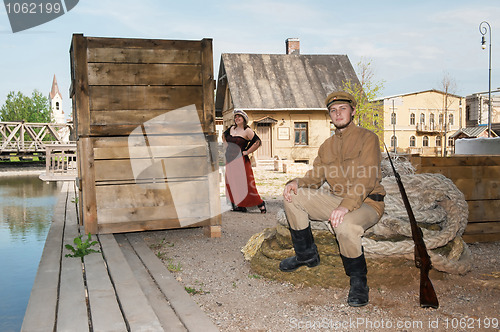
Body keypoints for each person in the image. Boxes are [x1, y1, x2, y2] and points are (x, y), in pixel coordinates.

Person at [280, 91, 385, 307]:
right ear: (330, 115)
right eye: (333, 110)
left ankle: (358, 281)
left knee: (345, 226)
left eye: (342, 109)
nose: (338, 114)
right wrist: (297, 182)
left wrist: (346, 207)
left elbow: (367, 178)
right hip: (337, 200)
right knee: (292, 196)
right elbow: (316, 177)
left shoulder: (368, 138)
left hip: (367, 202)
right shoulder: (326, 146)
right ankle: (306, 256)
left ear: (353, 111)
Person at [223, 110, 266, 213]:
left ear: (244, 119)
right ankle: (239, 205)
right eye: (236, 117)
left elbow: (257, 142)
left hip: (241, 160)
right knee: (232, 182)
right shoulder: (231, 129)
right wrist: (227, 147)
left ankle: (260, 203)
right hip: (229, 159)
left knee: (246, 183)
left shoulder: (247, 131)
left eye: (239, 117)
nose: (236, 118)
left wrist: (246, 152)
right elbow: (224, 136)